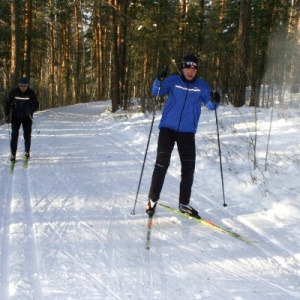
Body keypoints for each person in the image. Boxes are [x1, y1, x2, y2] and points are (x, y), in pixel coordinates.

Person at [146, 54, 220, 219]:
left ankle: (184, 203)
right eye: (188, 67)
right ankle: (152, 200)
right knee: (161, 165)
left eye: (194, 68)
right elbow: (156, 91)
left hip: (187, 132)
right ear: (182, 68)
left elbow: (210, 105)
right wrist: (159, 78)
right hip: (167, 129)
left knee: (188, 169)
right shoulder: (173, 81)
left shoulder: (202, 86)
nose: (190, 71)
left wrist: (215, 101)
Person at [4, 77, 39, 162]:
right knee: (14, 136)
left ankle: (27, 151)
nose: (23, 88)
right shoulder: (14, 92)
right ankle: (13, 154)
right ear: (19, 85)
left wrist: (31, 110)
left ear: (27, 86)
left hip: (27, 117)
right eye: (21, 86)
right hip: (16, 117)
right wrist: (7, 115)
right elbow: (7, 104)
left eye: (25, 86)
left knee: (27, 135)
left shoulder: (31, 93)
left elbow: (36, 105)